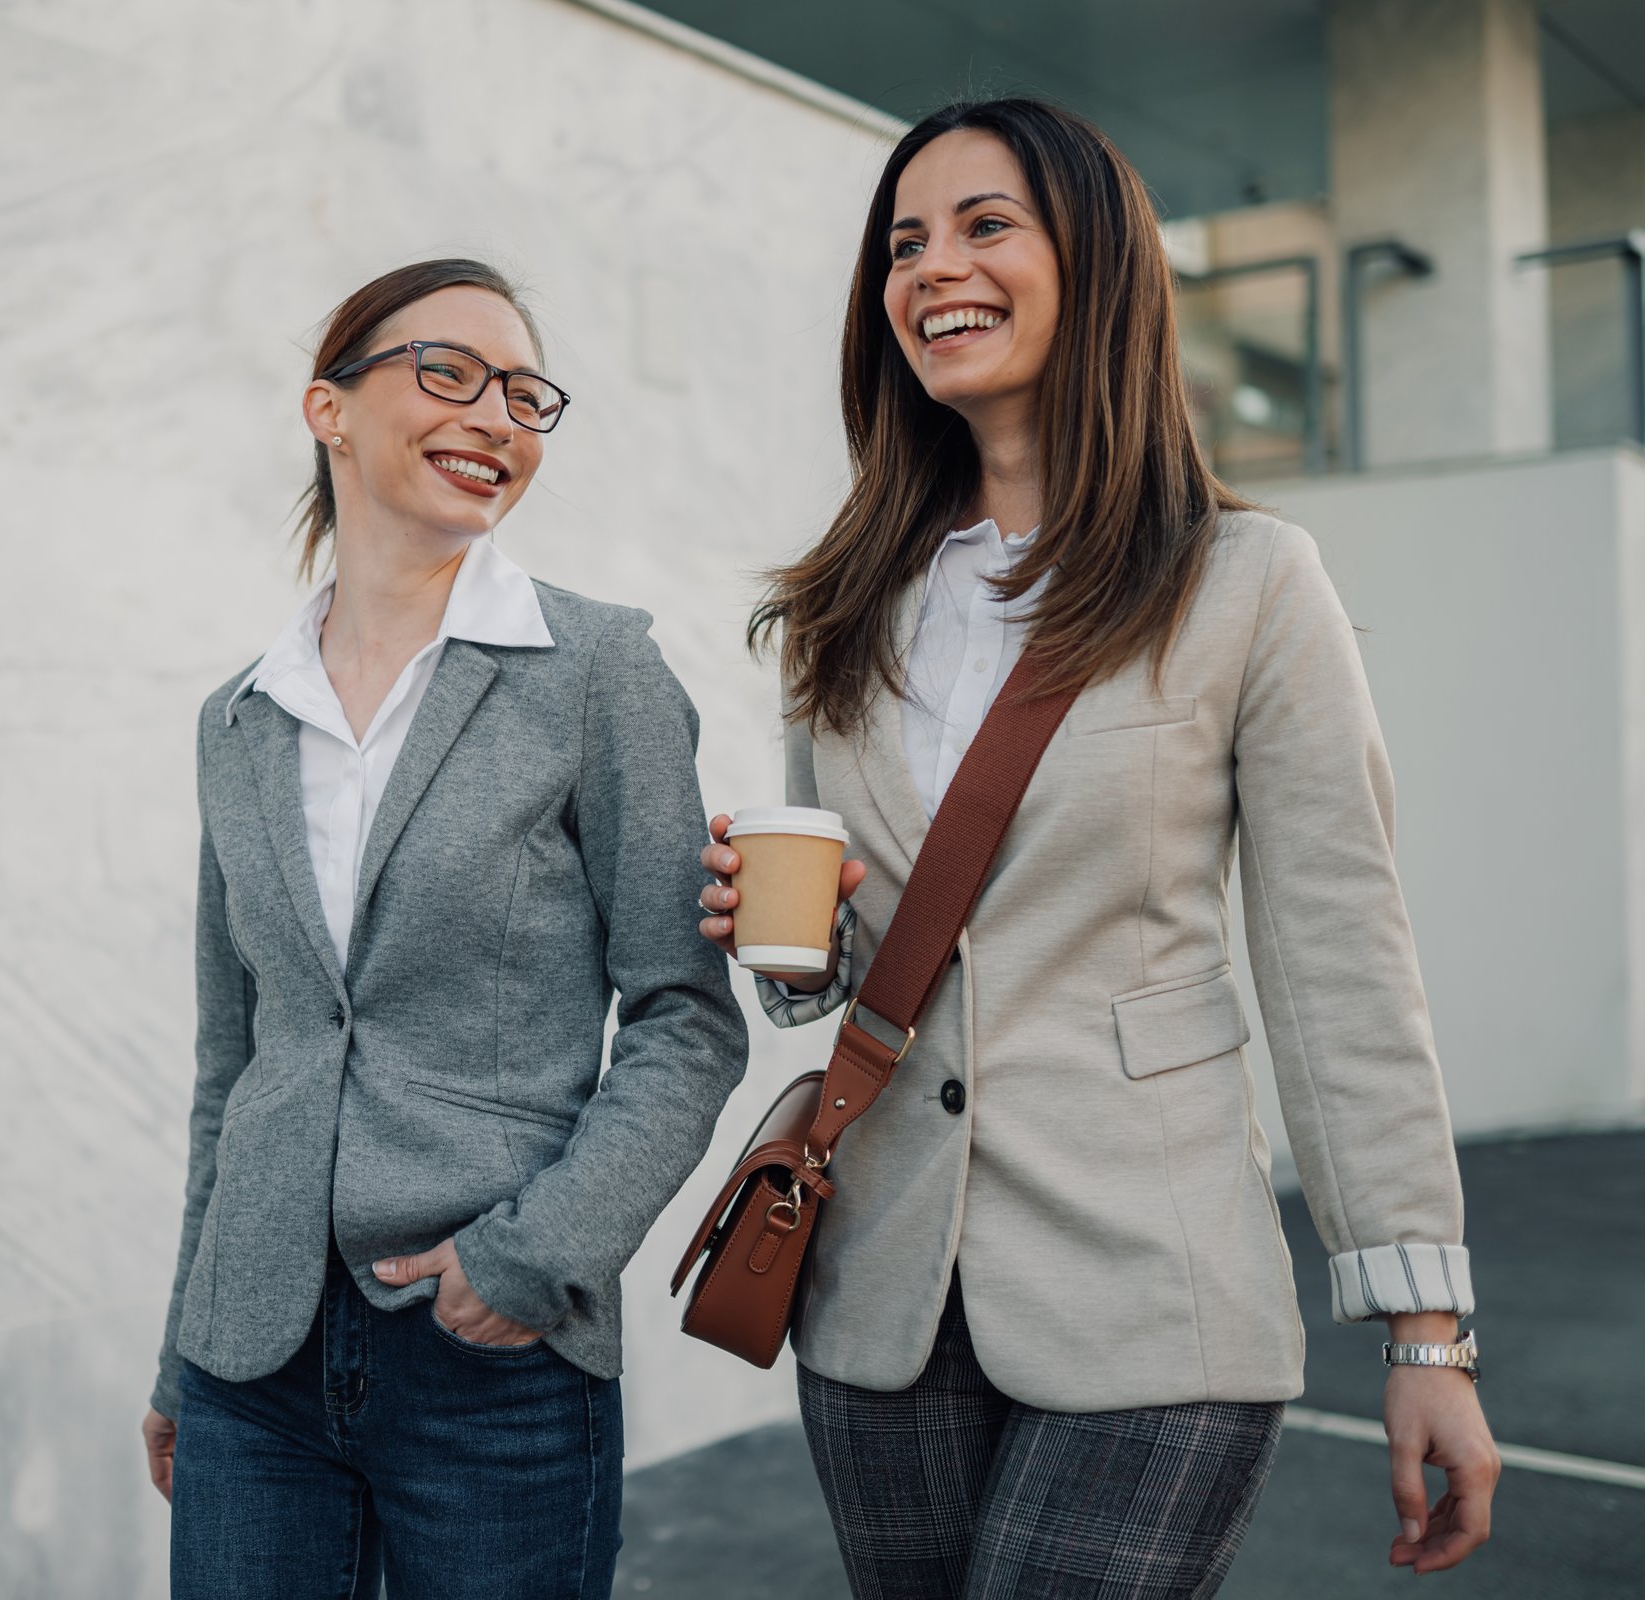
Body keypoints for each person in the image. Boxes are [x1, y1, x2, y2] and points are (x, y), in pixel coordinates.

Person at [695, 100, 1500, 1598]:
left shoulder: (1246, 583)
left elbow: (1341, 965)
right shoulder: (841, 607)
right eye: (905, 242)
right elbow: (832, 985)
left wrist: (1424, 1330)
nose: (934, 267)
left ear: (1101, 262)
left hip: (1155, 1286)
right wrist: (777, 939)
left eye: (986, 224)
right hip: (876, 1296)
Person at [145, 257, 748, 1600]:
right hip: (252, 1365)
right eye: (449, 374)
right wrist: (182, 1345)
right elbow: (230, 1071)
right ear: (330, 409)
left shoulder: (599, 672)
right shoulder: (238, 720)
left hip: (492, 1355)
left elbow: (684, 1020)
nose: (498, 417)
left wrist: (533, 1254)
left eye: (527, 394)